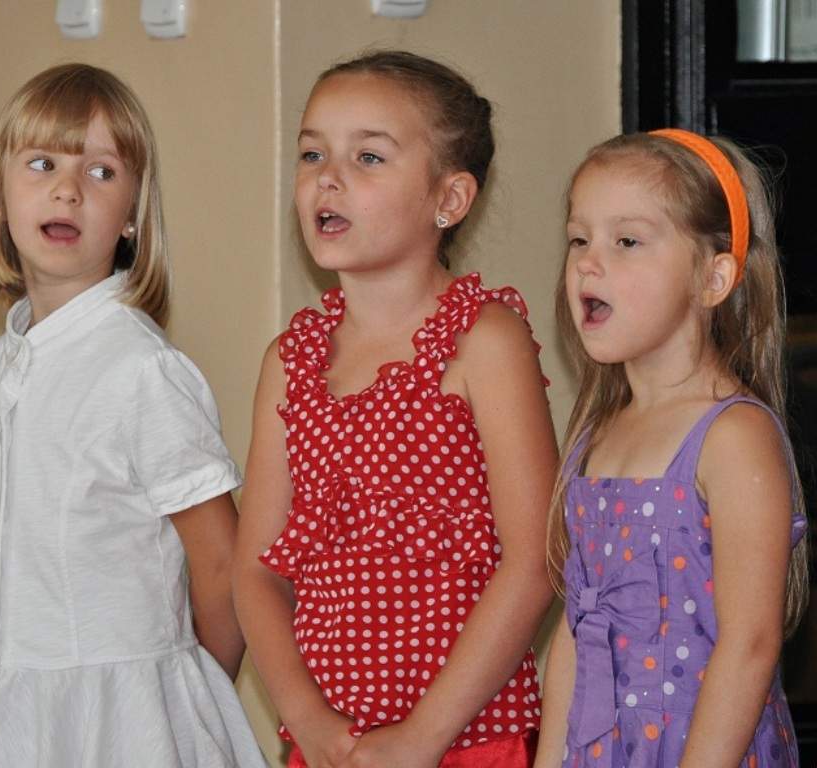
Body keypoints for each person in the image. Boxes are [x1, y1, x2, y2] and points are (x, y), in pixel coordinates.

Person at [0, 63, 267, 767]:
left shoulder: (141, 370)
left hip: (119, 716)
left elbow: (220, 561)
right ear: (2, 197)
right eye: (43, 164)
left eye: (101, 172)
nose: (67, 188)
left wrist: (181, 690)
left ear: (131, 217)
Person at [233, 50, 559, 768]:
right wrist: (309, 721)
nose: (328, 177)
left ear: (450, 199)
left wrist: (421, 737)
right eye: (312, 153)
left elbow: (535, 559)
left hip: (470, 743)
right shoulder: (290, 363)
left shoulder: (482, 342)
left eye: (369, 157)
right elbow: (255, 573)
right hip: (334, 748)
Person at [535, 130, 809, 768]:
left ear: (713, 278)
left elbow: (750, 644)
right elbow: (578, 637)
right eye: (579, 239)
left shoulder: (732, 435)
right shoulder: (599, 434)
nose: (588, 263)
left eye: (626, 242)